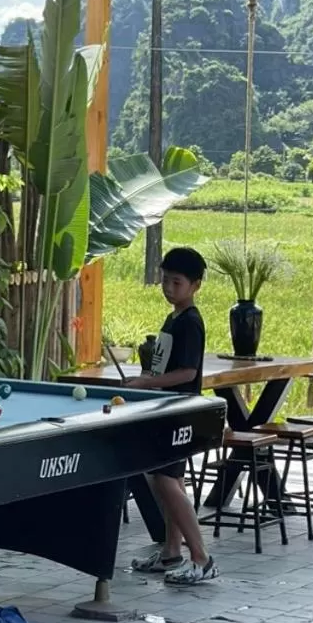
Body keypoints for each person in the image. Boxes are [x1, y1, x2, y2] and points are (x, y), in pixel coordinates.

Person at [127, 246, 218, 586]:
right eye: (165, 280)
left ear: (195, 285)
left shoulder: (190, 322)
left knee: (166, 482)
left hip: (180, 413)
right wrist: (147, 377)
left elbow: (187, 372)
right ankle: (170, 552)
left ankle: (202, 558)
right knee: (171, 481)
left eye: (176, 282)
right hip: (167, 410)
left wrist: (148, 382)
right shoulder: (174, 318)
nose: (168, 288)